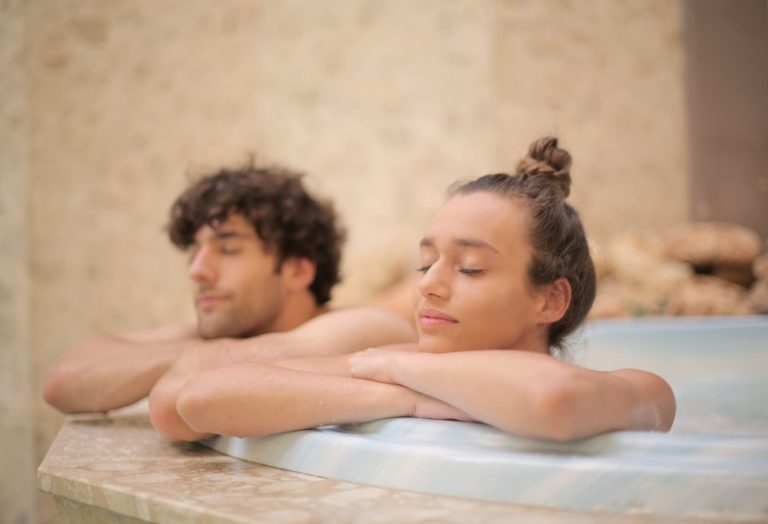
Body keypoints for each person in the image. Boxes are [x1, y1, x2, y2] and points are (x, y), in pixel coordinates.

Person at [149, 137, 676, 442]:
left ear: (550, 300)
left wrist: (394, 371)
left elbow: (553, 401)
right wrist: (403, 396)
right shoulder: (395, 365)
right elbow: (193, 400)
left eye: (468, 269)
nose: (430, 287)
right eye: (426, 264)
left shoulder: (640, 389)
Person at [43, 162, 416, 414]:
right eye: (196, 250)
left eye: (229, 248)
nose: (198, 270)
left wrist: (200, 354)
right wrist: (203, 350)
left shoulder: (364, 327)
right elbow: (63, 383)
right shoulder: (231, 331)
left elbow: (202, 371)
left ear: (297, 271)